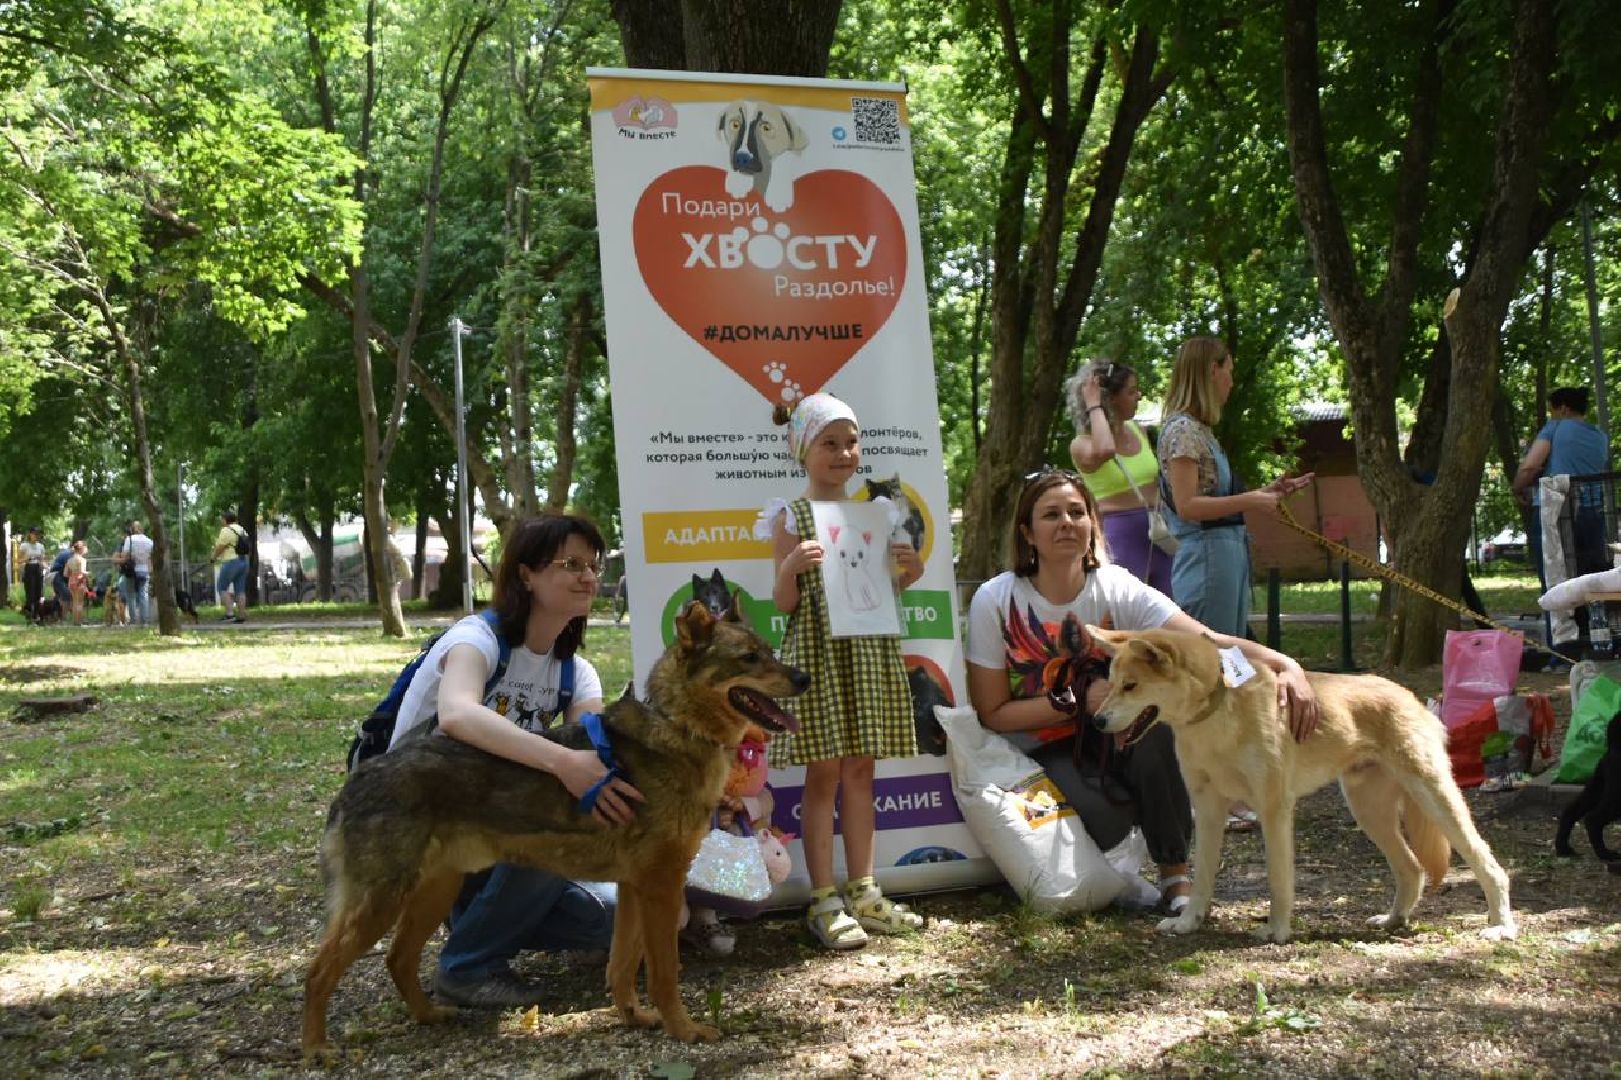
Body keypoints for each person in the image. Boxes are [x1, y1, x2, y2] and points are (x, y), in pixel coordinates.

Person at [965, 469, 1320, 912]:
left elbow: (1208, 642)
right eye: (1051, 515)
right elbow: (993, 713)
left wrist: (1285, 664)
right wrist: (1074, 706)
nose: (1066, 524)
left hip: (1119, 733)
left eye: (1077, 512)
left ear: (1094, 522)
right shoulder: (995, 600)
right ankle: (1105, 857)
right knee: (1109, 819)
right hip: (1037, 750)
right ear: (1027, 533)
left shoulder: (1117, 587)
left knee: (1160, 725)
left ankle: (1175, 877)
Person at [386, 513, 642, 1009]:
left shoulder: (577, 673)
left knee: (620, 917)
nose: (589, 576)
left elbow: (591, 757)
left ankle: (479, 922)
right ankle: (467, 966)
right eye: (572, 564)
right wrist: (563, 764)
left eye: (594, 564)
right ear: (526, 574)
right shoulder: (476, 640)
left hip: (498, 836)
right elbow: (458, 714)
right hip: (424, 825)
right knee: (555, 817)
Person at [757, 392, 926, 950]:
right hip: (819, 657)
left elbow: (883, 589)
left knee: (861, 770)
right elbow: (784, 604)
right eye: (830, 442)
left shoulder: (876, 514)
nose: (844, 452)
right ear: (804, 450)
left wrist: (910, 570)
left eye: (851, 441)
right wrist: (788, 566)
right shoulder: (790, 515)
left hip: (868, 653)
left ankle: (866, 890)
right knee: (823, 773)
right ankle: (822, 897)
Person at [1156, 336, 1313, 637]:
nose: (1232, 381)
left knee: (1231, 656)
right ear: (1212, 371)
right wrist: (1252, 501)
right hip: (1207, 561)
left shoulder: (1200, 430)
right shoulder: (1183, 431)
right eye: (1229, 370)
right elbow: (1188, 506)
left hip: (1224, 556)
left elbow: (1212, 498)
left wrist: (1266, 492)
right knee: (1214, 660)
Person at [1067, 359, 1172, 593]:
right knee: (1127, 617)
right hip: (1121, 537)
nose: (1139, 396)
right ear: (1110, 399)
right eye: (1131, 391)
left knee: (1169, 615)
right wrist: (1094, 404)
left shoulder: (1139, 431)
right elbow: (1105, 450)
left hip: (1160, 532)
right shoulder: (1082, 445)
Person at [1513, 385, 1610, 584]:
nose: (1551, 416)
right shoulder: (1600, 436)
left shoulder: (1556, 426)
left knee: (1554, 582)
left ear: (1563, 409)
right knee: (1589, 580)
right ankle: (1591, 615)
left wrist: (1517, 488)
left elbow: (1529, 467)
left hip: (1557, 512)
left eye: (1552, 411)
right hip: (1593, 513)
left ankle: (1559, 616)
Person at [211, 511, 250, 623]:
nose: (221, 521)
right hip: (243, 561)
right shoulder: (242, 529)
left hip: (230, 561)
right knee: (240, 590)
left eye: (222, 519)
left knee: (221, 587)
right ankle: (241, 615)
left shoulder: (226, 530)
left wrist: (213, 557)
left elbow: (220, 547)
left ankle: (230, 614)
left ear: (225, 520)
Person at [115, 521, 155, 627]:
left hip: (132, 570)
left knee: (131, 595)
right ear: (142, 529)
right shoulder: (149, 541)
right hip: (145, 570)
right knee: (144, 595)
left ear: (132, 530)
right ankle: (145, 620)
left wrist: (119, 559)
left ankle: (133, 620)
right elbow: (151, 557)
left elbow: (126, 555)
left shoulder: (130, 540)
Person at [19, 527, 46, 622]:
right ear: (30, 534)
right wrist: (27, 558)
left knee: (38, 593)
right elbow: (19, 560)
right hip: (29, 568)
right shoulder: (24, 546)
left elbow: (42, 560)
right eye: (34, 534)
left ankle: (37, 616)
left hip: (38, 569)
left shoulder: (41, 546)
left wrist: (45, 566)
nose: (36, 536)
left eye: (38, 534)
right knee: (30, 594)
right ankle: (29, 615)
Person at [65, 540, 90, 626]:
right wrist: (88, 573)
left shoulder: (69, 560)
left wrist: (73, 573)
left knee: (75, 601)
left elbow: (65, 573)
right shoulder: (82, 560)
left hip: (71, 581)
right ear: (81, 549)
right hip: (79, 581)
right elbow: (82, 572)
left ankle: (75, 621)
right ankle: (79, 621)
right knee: (80, 602)